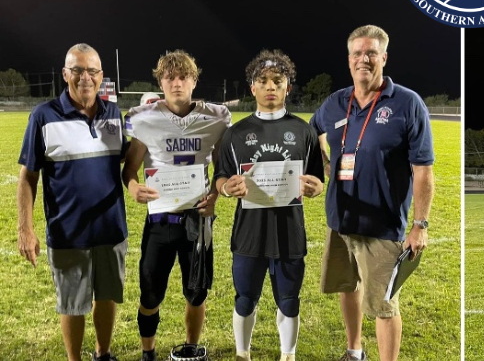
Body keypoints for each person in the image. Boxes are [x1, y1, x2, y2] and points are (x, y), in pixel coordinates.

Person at [311, 25, 435, 361]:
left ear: (384, 57)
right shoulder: (336, 102)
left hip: (381, 225)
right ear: (349, 59)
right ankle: (354, 351)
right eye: (357, 53)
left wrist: (420, 224)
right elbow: (312, 133)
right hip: (340, 218)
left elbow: (423, 171)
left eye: (371, 53)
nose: (363, 59)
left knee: (383, 305)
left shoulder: (407, 103)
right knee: (347, 287)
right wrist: (324, 162)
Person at [17, 43, 128, 361]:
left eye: (92, 70)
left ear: (101, 75)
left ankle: (103, 354)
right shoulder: (44, 115)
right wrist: (26, 228)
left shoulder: (113, 114)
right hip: (68, 232)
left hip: (111, 229)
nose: (85, 77)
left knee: (107, 297)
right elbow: (28, 177)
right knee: (73, 304)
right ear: (65, 73)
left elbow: (126, 160)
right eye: (77, 70)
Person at [122, 50, 232, 361]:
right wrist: (132, 187)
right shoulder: (145, 118)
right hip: (160, 221)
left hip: (197, 220)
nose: (176, 82)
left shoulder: (216, 117)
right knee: (150, 292)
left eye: (183, 76)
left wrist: (215, 195)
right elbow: (129, 168)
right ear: (160, 81)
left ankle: (192, 347)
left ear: (194, 81)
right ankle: (148, 352)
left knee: (197, 292)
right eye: (169, 77)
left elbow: (222, 166)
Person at [215, 50, 324, 361]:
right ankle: (242, 353)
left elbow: (315, 177)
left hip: (289, 230)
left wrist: (316, 186)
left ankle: (287, 355)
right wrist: (226, 188)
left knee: (289, 300)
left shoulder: (304, 130)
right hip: (249, 232)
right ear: (253, 88)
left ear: (287, 86)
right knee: (245, 298)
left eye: (277, 80)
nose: (270, 87)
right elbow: (221, 176)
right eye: (262, 81)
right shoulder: (235, 132)